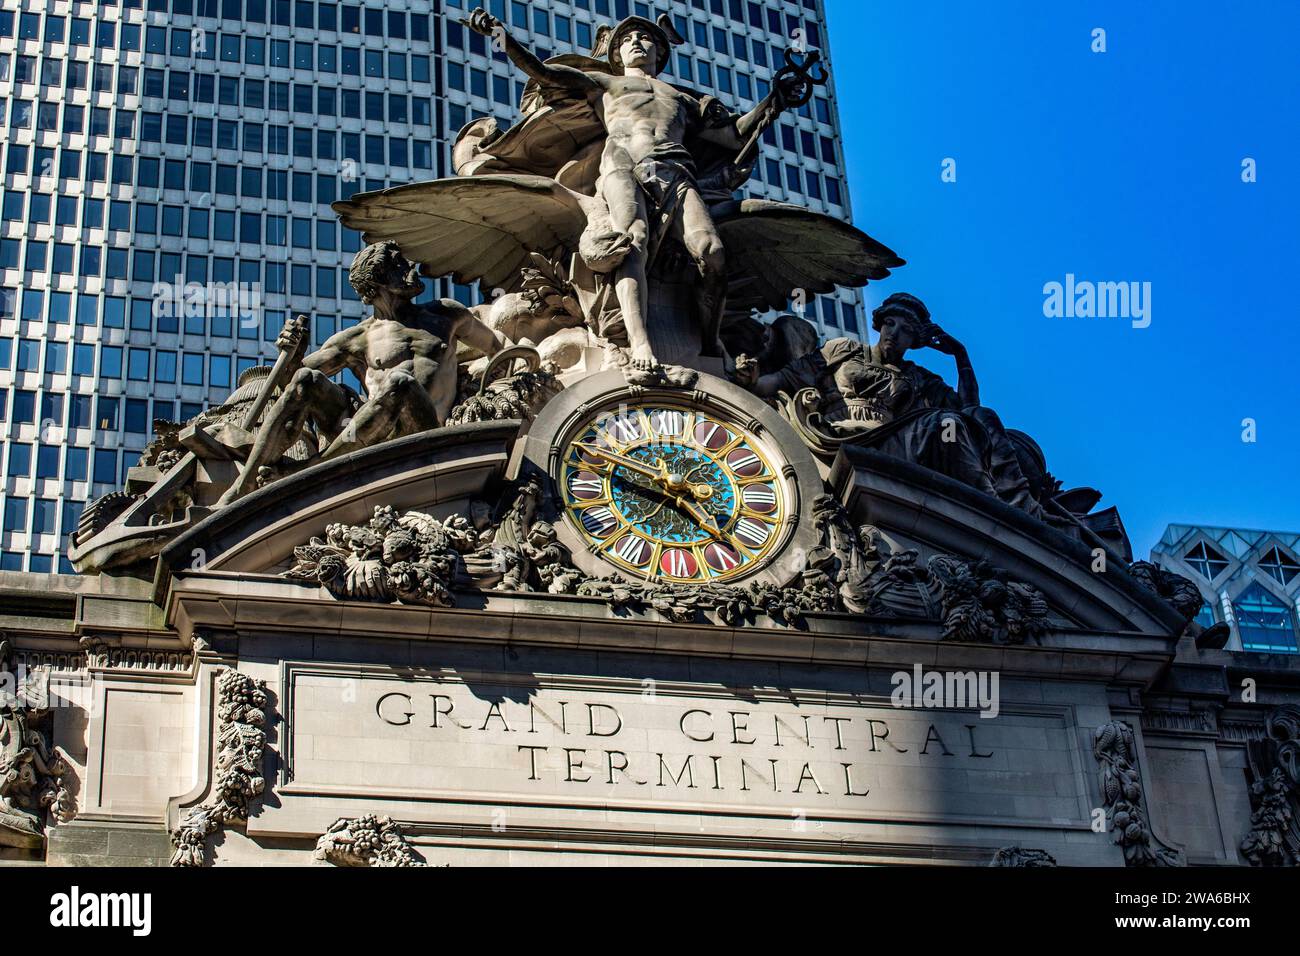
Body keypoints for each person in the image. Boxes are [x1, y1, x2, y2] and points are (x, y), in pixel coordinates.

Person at [463, 8, 785, 377]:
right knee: (632, 242)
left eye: (644, 37)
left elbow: (736, 135)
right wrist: (501, 35)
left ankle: (711, 341)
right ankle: (640, 342)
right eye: (626, 39)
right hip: (621, 165)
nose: (635, 42)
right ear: (615, 53)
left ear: (659, 52)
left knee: (712, 253)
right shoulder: (602, 83)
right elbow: (543, 73)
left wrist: (775, 99)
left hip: (676, 170)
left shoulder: (684, 100)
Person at [219, 241, 504, 504]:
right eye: (399, 264)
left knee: (400, 382)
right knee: (307, 380)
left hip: (421, 431)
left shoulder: (446, 314)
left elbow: (496, 347)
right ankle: (241, 488)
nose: (411, 268)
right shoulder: (357, 338)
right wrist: (294, 352)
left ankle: (310, 469)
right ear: (379, 279)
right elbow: (290, 382)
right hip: (368, 434)